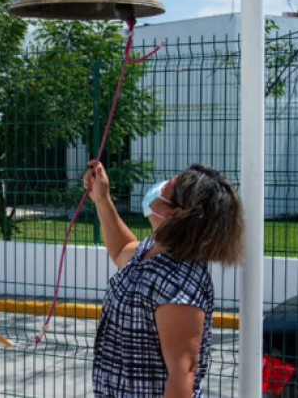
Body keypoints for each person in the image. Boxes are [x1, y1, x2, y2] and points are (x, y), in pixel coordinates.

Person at [84, 161, 244, 398]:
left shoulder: (179, 285)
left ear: (175, 213)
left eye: (166, 187)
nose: (157, 188)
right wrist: (102, 199)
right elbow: (122, 250)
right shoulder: (155, 248)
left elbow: (182, 374)